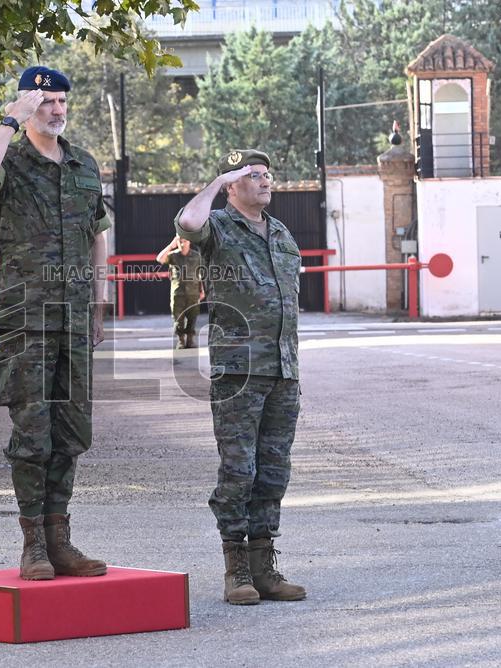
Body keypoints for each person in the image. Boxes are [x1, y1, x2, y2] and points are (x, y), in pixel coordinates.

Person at [0, 65, 110, 581]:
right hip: (25, 318)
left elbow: (98, 233)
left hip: (73, 316)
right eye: (47, 102)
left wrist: (98, 303)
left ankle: (60, 540)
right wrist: (9, 120)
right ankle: (32, 545)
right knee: (33, 433)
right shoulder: (10, 157)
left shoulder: (83, 165)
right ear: (29, 105)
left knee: (72, 432)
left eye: (62, 102)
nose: (57, 110)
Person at [175, 149, 307, 605]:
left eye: (267, 174)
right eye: (253, 175)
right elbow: (188, 224)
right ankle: (236, 571)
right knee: (239, 472)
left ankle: (264, 567)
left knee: (274, 472)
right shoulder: (219, 229)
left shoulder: (282, 234)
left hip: (283, 370)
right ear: (233, 185)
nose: (265, 181)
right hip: (239, 372)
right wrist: (215, 181)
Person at [156, 235, 204, 349]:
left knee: (193, 317)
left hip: (193, 292)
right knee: (178, 318)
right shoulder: (173, 256)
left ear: (189, 242)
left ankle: (190, 340)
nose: (182, 244)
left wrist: (203, 290)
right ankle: (181, 340)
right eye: (180, 241)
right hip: (178, 293)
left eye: (185, 241)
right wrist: (171, 246)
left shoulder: (197, 256)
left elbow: (201, 274)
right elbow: (160, 259)